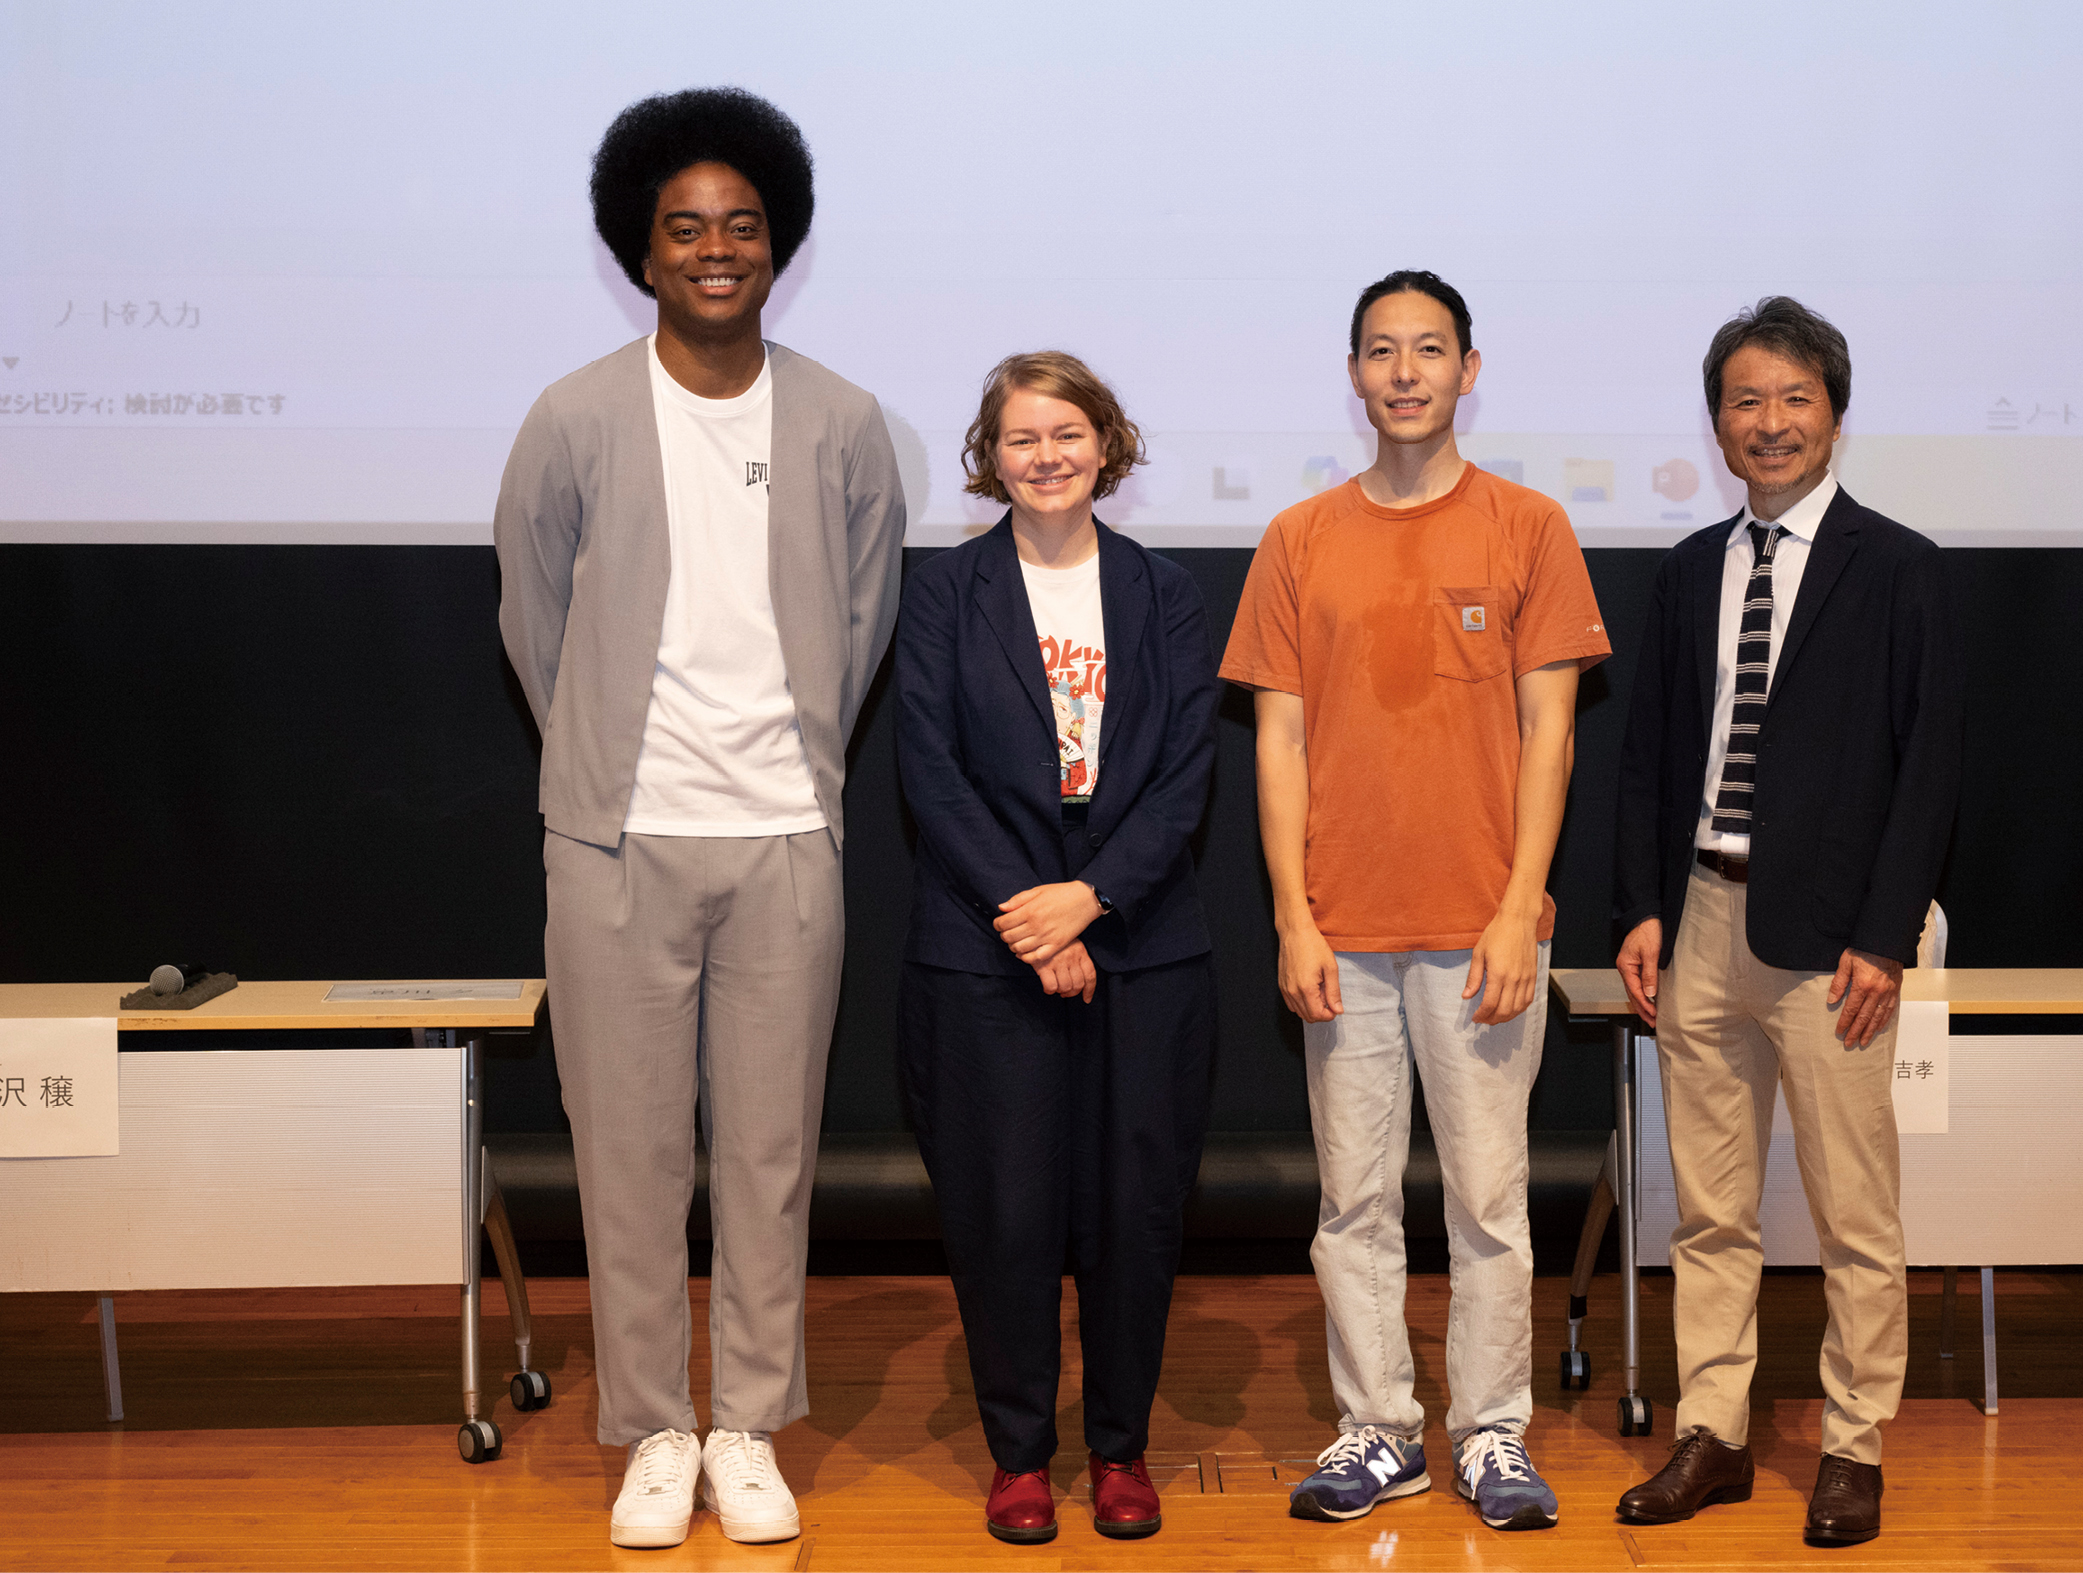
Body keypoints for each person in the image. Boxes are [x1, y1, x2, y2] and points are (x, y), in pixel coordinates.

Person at [493, 87, 906, 1550]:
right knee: (627, 1151)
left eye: (740, 225)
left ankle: (747, 1423)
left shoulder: (847, 421)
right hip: (618, 845)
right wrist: (610, 767)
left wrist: (793, 774)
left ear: (775, 243)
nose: (715, 249)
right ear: (640, 250)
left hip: (788, 840)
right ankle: (654, 1430)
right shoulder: (575, 417)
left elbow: (861, 630)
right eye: (685, 227)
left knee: (768, 1153)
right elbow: (533, 622)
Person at [1221, 271, 1611, 1532]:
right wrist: (1291, 914)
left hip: (1481, 929)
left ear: (1467, 368)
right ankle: (1380, 1427)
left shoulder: (1529, 526)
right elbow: (1275, 742)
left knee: (1491, 1203)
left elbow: (1550, 733)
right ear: (1353, 373)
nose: (1404, 372)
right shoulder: (1297, 538)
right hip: (1342, 929)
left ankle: (1491, 1435)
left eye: (1428, 350)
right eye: (1381, 351)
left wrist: (1518, 905)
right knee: (1355, 1201)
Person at [1608, 297, 1962, 1546]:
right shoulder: (1692, 566)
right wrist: (1643, 905)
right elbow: (1649, 752)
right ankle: (1714, 1429)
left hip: (1833, 944)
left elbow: (1930, 770)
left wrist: (1883, 933)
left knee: (1853, 1212)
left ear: (1833, 414)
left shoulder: (1898, 567)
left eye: (1792, 399)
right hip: (1699, 916)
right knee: (1708, 1206)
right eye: (1745, 401)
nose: (1769, 423)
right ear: (1717, 422)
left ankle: (1854, 1445)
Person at [894, 352, 1219, 1546]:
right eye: (1021, 437)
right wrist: (1031, 917)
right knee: (1005, 1211)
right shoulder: (943, 594)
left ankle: (1121, 1450)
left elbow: (1187, 777)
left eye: (1067, 432)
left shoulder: (1163, 593)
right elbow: (926, 772)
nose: (1046, 455)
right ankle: (1021, 1456)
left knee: (1136, 1212)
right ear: (991, 455)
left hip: (1140, 942)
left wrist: (1087, 900)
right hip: (985, 953)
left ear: (1104, 444)